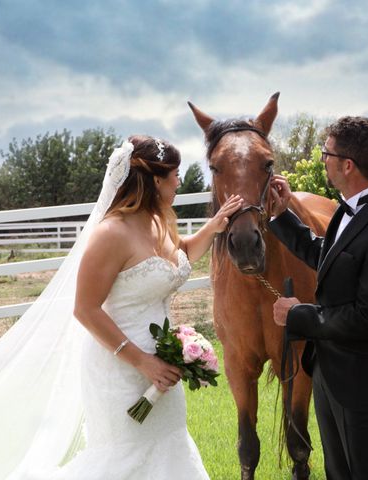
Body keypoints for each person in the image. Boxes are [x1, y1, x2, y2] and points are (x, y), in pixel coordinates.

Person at [56, 135, 242, 479]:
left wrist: (215, 226)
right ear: (155, 180)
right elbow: (85, 308)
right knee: (124, 457)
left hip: (163, 362)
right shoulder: (110, 233)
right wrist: (142, 361)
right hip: (119, 366)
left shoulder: (157, 222)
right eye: (175, 174)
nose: (179, 182)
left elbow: (181, 251)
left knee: (168, 445)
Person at [269, 116, 368, 479]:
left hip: (364, 383)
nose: (323, 159)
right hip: (330, 373)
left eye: (327, 153)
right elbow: (329, 256)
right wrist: (282, 216)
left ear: (347, 165)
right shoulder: (349, 208)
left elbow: (367, 319)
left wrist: (298, 316)